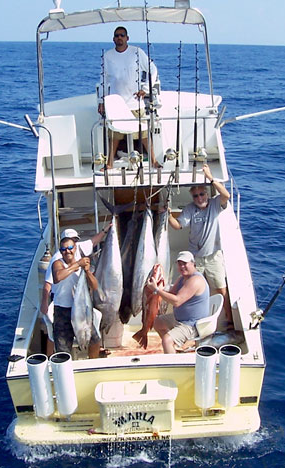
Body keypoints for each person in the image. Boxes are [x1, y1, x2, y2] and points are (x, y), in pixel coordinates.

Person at [168, 163, 233, 327]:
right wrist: (166, 215)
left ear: (207, 193)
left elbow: (226, 194)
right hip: (195, 258)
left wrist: (210, 178)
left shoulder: (215, 204)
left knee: (221, 289)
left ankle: (229, 321)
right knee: (189, 290)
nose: (199, 198)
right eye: (195, 196)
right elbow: (178, 225)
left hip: (213, 256)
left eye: (202, 194)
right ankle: (189, 321)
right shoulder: (190, 209)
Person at [98, 26, 159, 169]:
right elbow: (103, 79)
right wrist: (101, 101)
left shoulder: (137, 52)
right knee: (114, 136)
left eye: (122, 35)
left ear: (127, 38)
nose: (120, 38)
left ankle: (154, 161)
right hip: (116, 104)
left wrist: (145, 89)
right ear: (113, 38)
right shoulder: (107, 56)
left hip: (135, 102)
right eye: (117, 35)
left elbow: (153, 70)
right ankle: (109, 164)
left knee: (144, 134)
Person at [147, 251, 210, 354]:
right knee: (157, 323)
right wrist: (157, 289)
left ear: (193, 263)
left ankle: (171, 363)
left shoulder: (196, 280)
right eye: (180, 264)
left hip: (192, 324)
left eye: (185, 263)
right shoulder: (182, 278)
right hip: (179, 318)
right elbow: (171, 294)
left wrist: (156, 290)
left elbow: (177, 301)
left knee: (167, 340)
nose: (182, 266)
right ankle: (172, 351)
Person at [52, 237, 100, 358]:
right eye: (63, 249)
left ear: (75, 248)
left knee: (95, 340)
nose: (67, 251)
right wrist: (78, 264)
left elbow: (94, 286)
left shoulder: (82, 266)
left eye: (70, 248)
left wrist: (87, 271)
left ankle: (92, 364)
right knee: (63, 349)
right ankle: (65, 372)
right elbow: (58, 277)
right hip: (62, 311)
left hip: (82, 310)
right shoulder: (58, 263)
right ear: (60, 251)